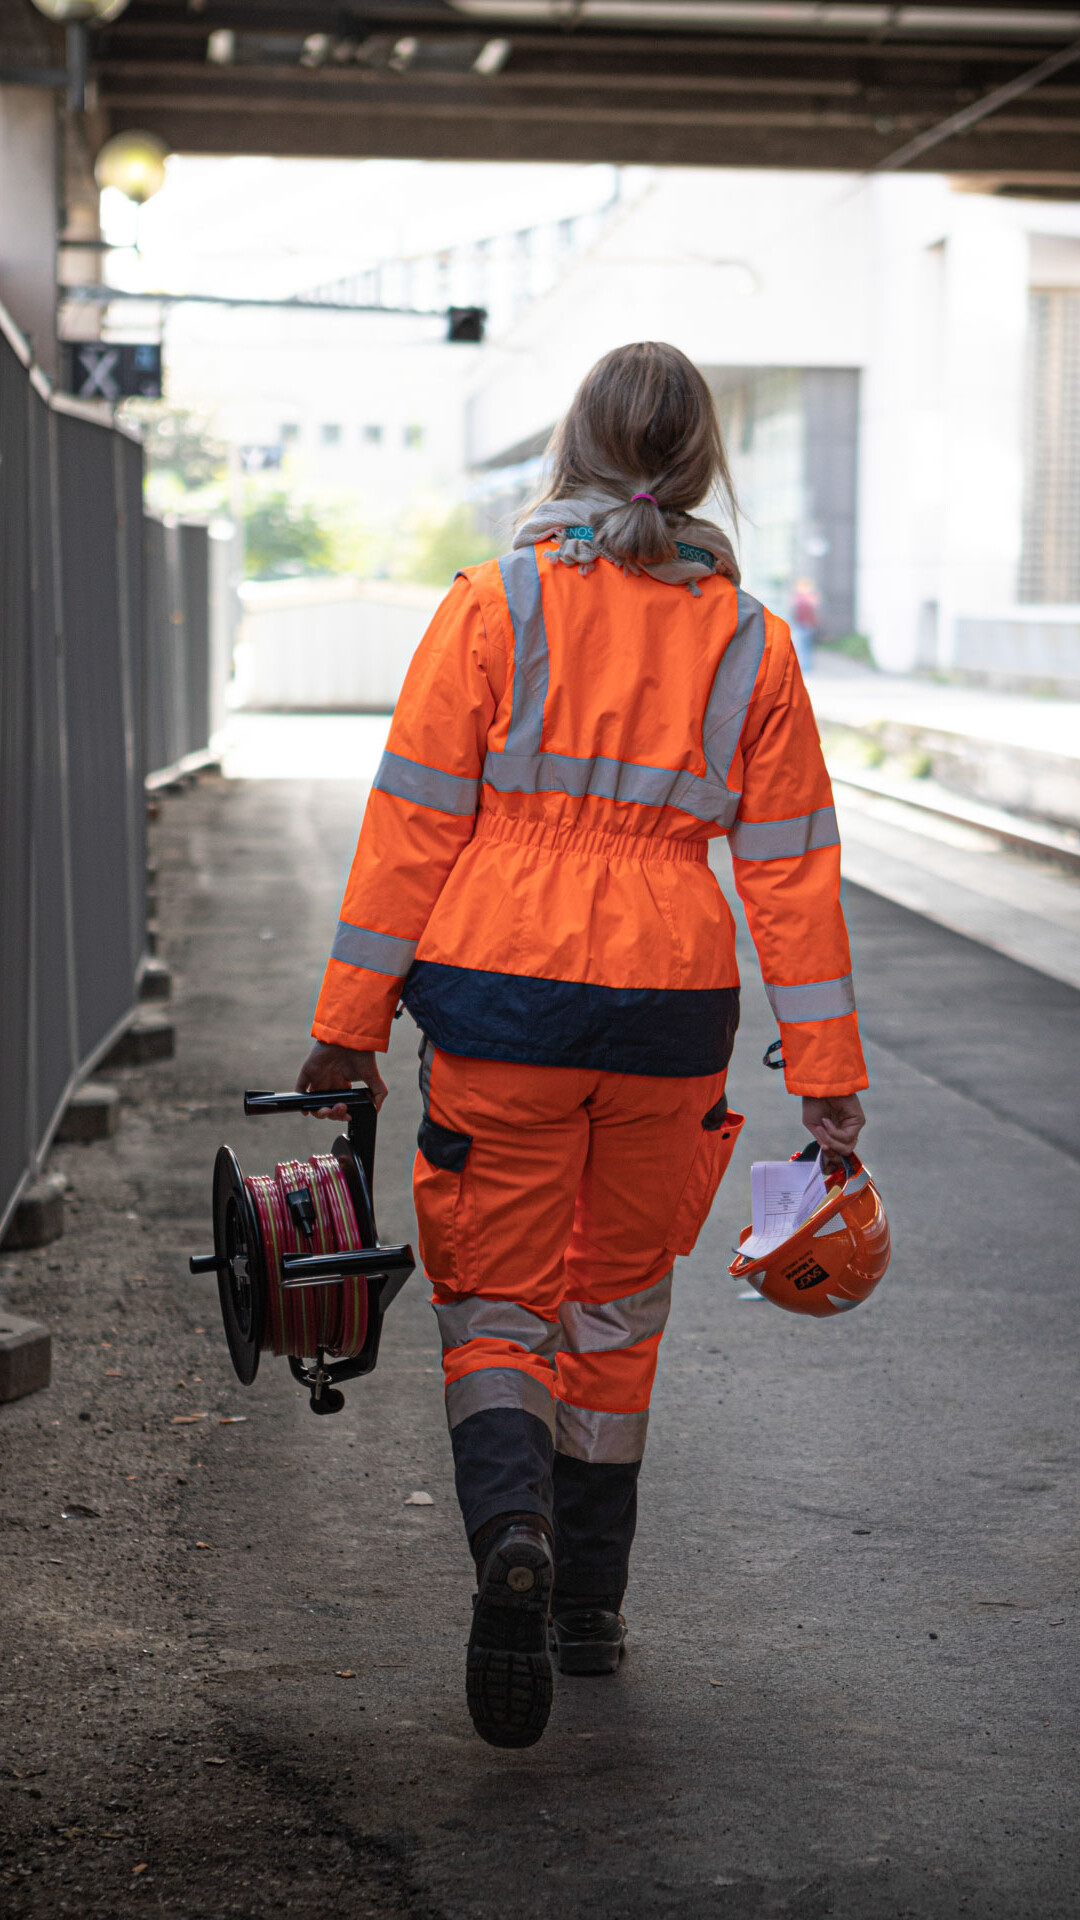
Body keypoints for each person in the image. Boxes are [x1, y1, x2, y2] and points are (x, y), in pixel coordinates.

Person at [296, 342, 867, 1751]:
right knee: (615, 1305)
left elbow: (413, 823)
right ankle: (592, 1612)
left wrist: (346, 1028)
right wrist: (831, 1073)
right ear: (703, 464)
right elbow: (791, 869)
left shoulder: (493, 605)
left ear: (574, 447)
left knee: (497, 1296)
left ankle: (512, 1540)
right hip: (670, 1013)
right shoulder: (751, 640)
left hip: (506, 1001)